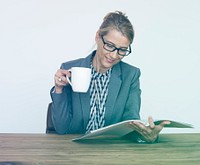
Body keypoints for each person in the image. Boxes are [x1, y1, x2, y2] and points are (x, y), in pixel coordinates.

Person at [50, 11, 170, 143]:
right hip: (75, 150)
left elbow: (130, 124)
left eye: (122, 50)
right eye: (110, 46)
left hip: (112, 150)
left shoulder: (131, 75)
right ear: (97, 37)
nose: (114, 55)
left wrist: (145, 135)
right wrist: (59, 90)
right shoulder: (71, 69)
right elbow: (61, 129)